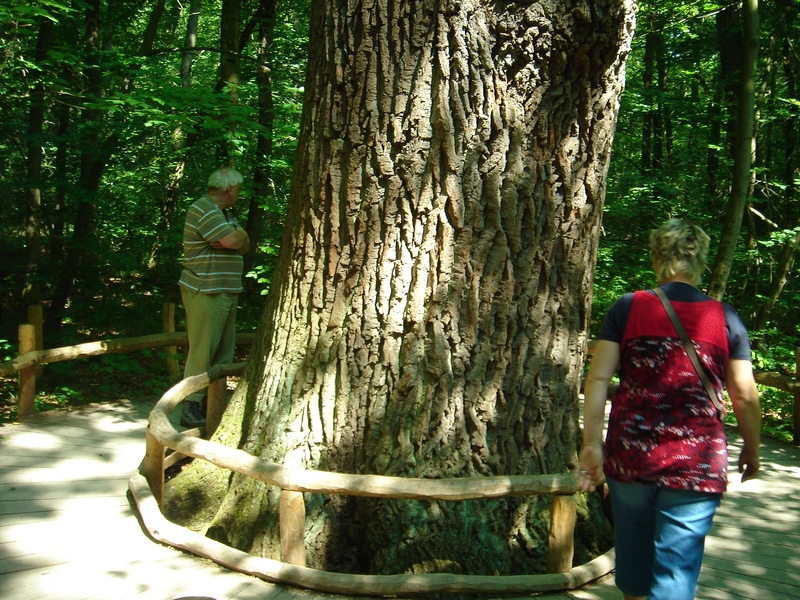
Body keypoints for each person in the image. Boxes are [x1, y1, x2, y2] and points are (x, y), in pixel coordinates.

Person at [577, 218, 761, 600]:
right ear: (701, 260)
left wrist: (591, 444)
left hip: (631, 456)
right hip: (696, 462)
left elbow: (596, 381)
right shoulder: (724, 317)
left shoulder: (627, 308)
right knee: (675, 570)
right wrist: (753, 449)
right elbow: (744, 395)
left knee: (633, 557)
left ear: (656, 257)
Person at [178, 167, 250, 427]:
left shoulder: (225, 213)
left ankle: (213, 403)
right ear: (230, 189)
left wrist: (238, 238)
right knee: (202, 351)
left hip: (227, 290)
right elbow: (233, 241)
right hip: (206, 290)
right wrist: (235, 238)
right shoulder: (203, 208)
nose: (238, 194)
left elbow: (244, 242)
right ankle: (189, 404)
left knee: (224, 353)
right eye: (238, 190)